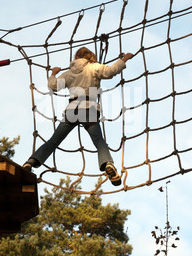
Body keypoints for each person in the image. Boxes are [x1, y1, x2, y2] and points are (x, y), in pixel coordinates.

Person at [23, 47, 133, 186]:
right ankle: (108, 164)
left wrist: (53, 73)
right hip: (88, 108)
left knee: (54, 141)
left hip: (72, 110)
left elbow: (53, 86)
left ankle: (31, 162)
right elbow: (110, 71)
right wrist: (124, 59)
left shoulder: (68, 73)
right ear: (89, 56)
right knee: (98, 141)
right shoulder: (94, 67)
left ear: (77, 57)